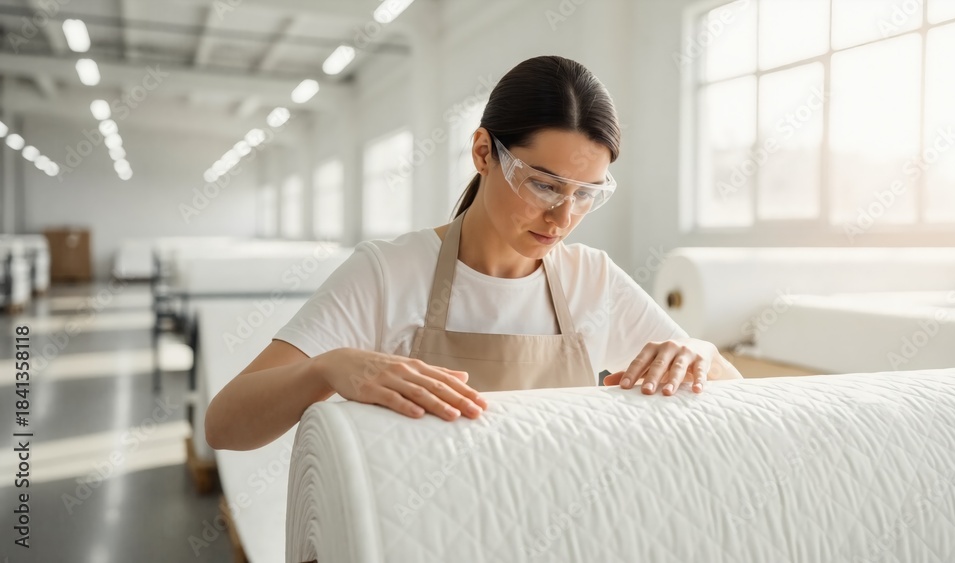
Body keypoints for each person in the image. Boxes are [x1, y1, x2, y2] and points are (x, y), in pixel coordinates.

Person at [205, 55, 742, 452]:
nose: (562, 217)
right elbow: (224, 425)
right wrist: (327, 368)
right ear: (484, 152)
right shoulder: (389, 272)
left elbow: (739, 400)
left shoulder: (593, 280)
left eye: (585, 194)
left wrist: (701, 352)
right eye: (544, 185)